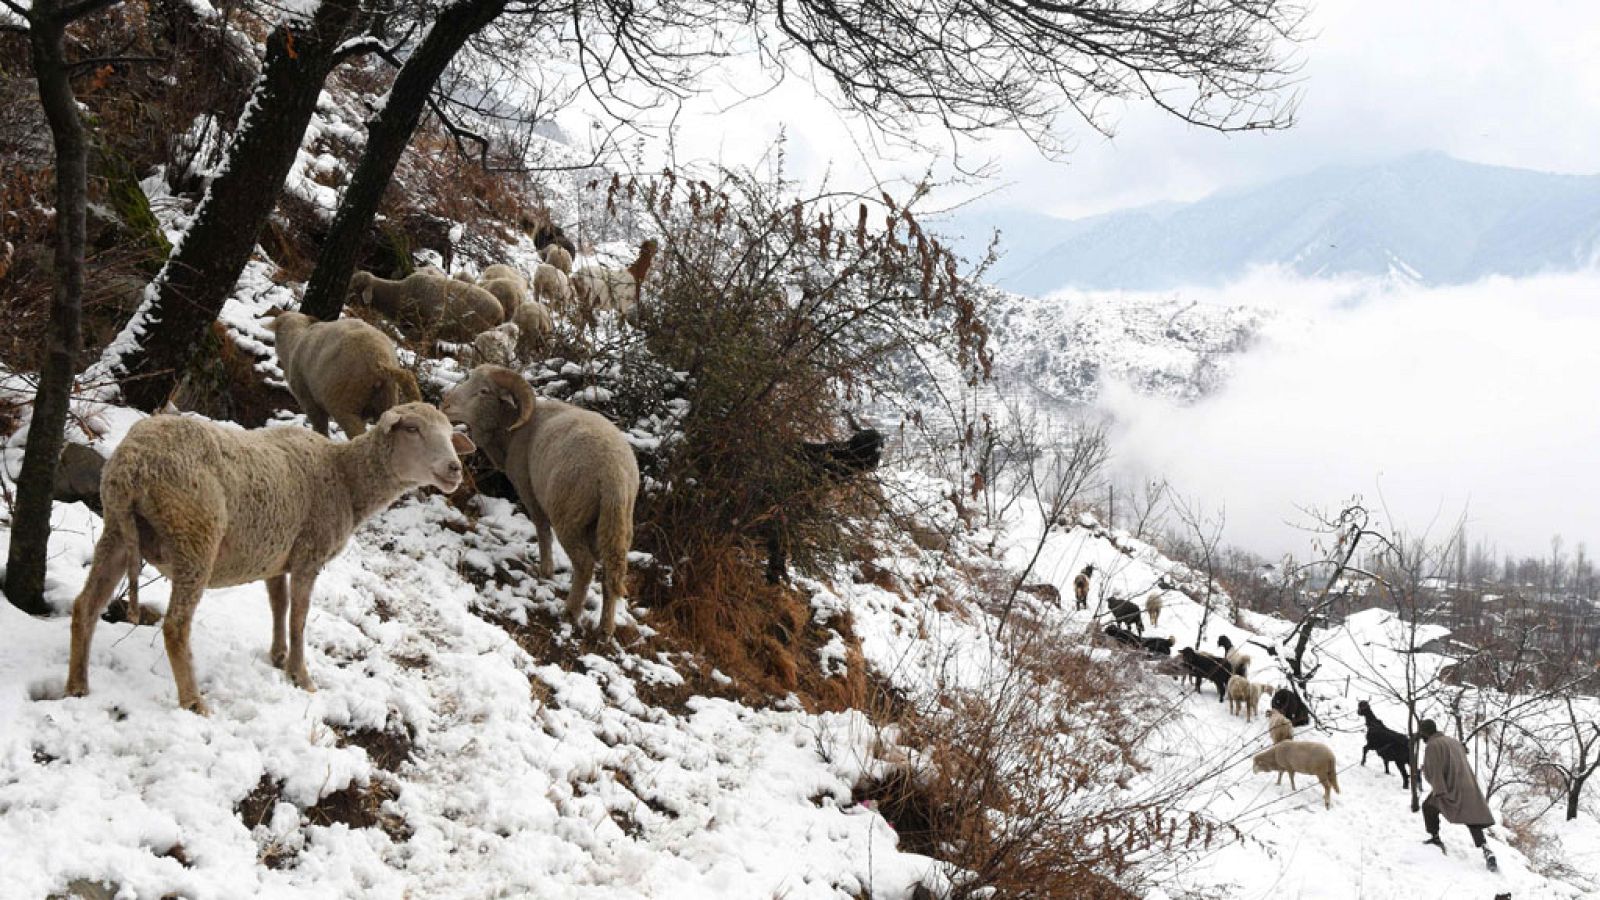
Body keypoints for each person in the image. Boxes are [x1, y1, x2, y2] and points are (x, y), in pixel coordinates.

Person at [1418, 719, 1498, 872]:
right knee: (1472, 818)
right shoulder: (1453, 741)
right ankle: (1486, 849)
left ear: (1426, 733)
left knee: (1428, 806)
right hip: (1467, 785)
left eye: (1422, 734)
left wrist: (1438, 790)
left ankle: (1435, 838)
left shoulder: (1432, 746)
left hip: (1449, 788)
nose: (1421, 737)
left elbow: (1435, 771)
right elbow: (1459, 755)